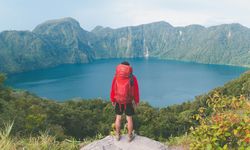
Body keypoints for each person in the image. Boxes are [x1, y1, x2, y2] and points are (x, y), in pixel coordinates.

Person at [110, 61, 140, 142]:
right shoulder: (132, 77)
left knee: (118, 118)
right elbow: (135, 91)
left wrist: (112, 99)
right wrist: (136, 101)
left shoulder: (116, 76)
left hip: (118, 100)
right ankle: (130, 136)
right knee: (129, 119)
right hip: (128, 101)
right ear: (129, 68)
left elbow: (113, 89)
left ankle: (117, 135)